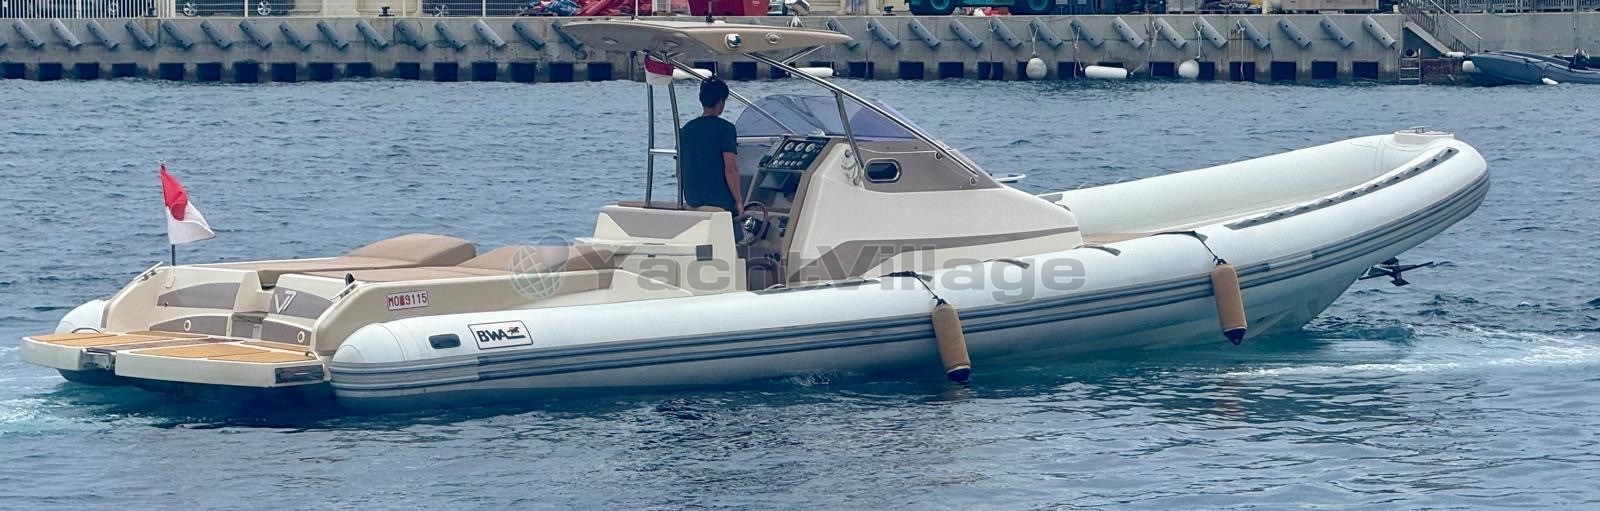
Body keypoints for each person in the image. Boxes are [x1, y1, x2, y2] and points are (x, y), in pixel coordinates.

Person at [679, 78, 743, 218]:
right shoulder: (726, 129)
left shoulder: (685, 130)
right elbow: (730, 168)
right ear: (721, 102)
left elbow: (680, 168)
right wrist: (739, 202)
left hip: (692, 199)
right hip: (719, 201)